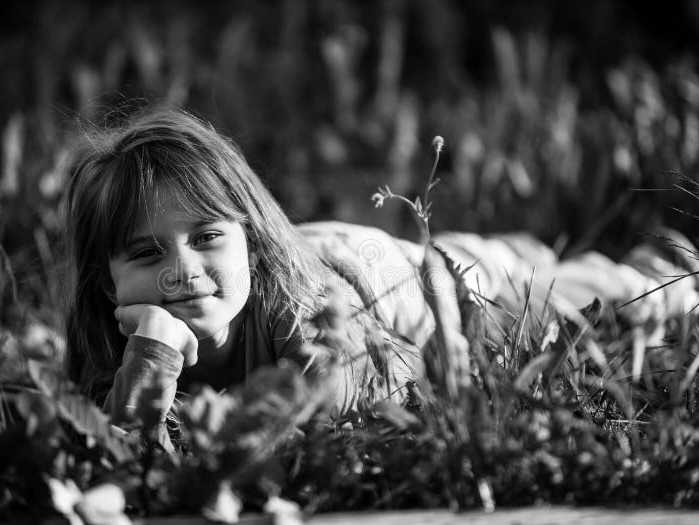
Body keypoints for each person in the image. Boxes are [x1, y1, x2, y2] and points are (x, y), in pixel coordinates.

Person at [62, 107, 436, 438]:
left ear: (254, 243)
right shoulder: (105, 343)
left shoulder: (302, 306)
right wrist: (152, 355)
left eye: (206, 237)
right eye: (146, 252)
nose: (184, 270)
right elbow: (118, 454)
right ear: (108, 284)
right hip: (305, 250)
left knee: (483, 269)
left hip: (385, 269)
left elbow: (339, 418)